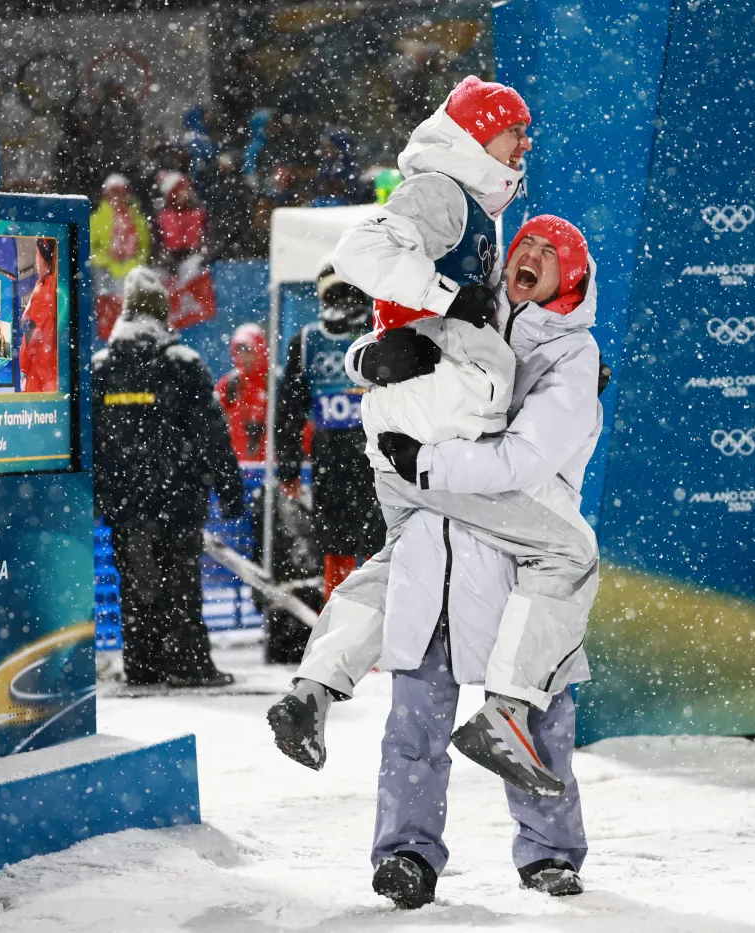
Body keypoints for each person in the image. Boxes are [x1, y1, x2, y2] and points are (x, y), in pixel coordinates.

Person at [265, 87, 596, 803]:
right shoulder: (446, 192)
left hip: (410, 430)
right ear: (478, 135)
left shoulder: (476, 213)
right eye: (515, 132)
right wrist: (444, 301)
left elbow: (410, 328)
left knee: (397, 562)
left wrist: (369, 357)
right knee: (569, 550)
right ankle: (508, 708)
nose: (525, 146)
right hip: (437, 433)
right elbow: (363, 250)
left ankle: (312, 689)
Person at [367, 217, 603, 909]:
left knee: (537, 713)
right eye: (524, 244)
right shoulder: (468, 315)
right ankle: (406, 853)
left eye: (549, 254)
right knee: (414, 718)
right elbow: (394, 345)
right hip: (437, 552)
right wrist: (376, 358)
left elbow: (526, 460)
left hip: (518, 554)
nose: (529, 255)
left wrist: (430, 461)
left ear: (573, 280)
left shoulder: (572, 356)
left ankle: (551, 852)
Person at [92, 267, 243, 688]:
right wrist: (230, 492)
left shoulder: (102, 368)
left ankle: (142, 665)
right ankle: (189, 663)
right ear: (162, 311)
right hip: (179, 500)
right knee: (181, 586)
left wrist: (98, 496)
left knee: (138, 588)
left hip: (126, 504)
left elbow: (92, 443)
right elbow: (213, 434)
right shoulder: (183, 364)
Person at [273, 264, 385, 601]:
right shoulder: (379, 332)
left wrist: (289, 469)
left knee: (341, 546)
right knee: (375, 544)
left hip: (339, 458)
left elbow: (288, 413)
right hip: (376, 454)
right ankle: (367, 623)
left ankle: (342, 622)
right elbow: (289, 412)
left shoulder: (306, 340)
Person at [91, 174, 152, 339]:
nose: (118, 198)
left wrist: (132, 263)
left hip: (130, 273)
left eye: (122, 193)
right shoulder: (97, 219)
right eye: (114, 193)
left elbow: (144, 248)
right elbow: (89, 249)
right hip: (106, 275)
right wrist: (108, 259)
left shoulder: (137, 218)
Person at [217, 323, 270, 462]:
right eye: (238, 350)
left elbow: (295, 424)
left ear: (259, 350)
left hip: (270, 468)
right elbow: (212, 421)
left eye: (248, 349)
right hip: (237, 466)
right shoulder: (228, 384)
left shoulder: (273, 383)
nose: (242, 355)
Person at [19, 238, 58, 393]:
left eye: (36, 252)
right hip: (53, 379)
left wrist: (23, 363)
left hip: (39, 381)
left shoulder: (43, 292)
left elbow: (30, 339)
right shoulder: (55, 286)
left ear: (41, 257)